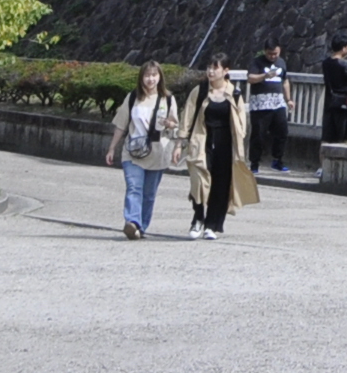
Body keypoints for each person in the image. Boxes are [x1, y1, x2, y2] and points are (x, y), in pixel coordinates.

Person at [101, 61, 178, 240]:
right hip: (133, 151)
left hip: (157, 152)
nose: (150, 79)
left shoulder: (167, 99)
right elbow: (121, 125)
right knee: (134, 187)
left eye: (154, 75)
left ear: (160, 77)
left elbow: (176, 126)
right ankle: (132, 222)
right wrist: (112, 148)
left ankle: (141, 227)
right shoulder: (133, 97)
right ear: (141, 77)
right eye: (147, 75)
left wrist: (170, 125)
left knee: (149, 194)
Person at [181, 56, 254, 239]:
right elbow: (187, 116)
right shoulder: (200, 91)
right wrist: (180, 141)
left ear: (226, 71)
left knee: (221, 185)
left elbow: (241, 122)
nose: (211, 71)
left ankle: (212, 225)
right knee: (199, 179)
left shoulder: (234, 93)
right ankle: (198, 217)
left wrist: (240, 145)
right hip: (202, 139)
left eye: (215, 68)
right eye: (209, 67)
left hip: (225, 142)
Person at [247, 46, 290, 173]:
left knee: (282, 132)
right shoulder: (257, 62)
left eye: (275, 53)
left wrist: (289, 99)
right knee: (259, 135)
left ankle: (278, 160)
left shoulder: (281, 62)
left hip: (278, 102)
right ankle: (254, 163)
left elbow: (285, 81)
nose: (273, 56)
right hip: (260, 104)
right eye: (270, 53)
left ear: (279, 50)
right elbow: (250, 78)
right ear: (265, 51)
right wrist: (265, 76)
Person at [322, 37, 347, 150]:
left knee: (328, 135)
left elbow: (337, 63)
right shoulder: (344, 64)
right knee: (341, 134)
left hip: (329, 101)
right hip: (342, 102)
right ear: (344, 48)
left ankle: (324, 159)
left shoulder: (326, 63)